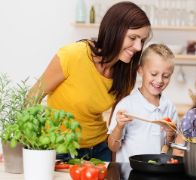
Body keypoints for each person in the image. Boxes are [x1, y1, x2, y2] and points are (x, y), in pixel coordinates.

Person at [27, 1, 151, 162]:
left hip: (99, 150)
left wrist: (113, 164)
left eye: (142, 40)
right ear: (114, 31)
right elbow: (31, 98)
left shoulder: (125, 72)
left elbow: (115, 125)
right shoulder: (73, 55)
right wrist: (30, 147)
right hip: (59, 150)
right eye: (133, 38)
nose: (138, 47)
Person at [107, 44, 178, 162]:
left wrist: (170, 136)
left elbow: (170, 146)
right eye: (154, 74)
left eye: (166, 76)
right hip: (130, 172)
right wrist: (119, 127)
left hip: (156, 172)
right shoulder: (126, 105)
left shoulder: (169, 106)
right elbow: (113, 146)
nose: (160, 80)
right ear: (140, 70)